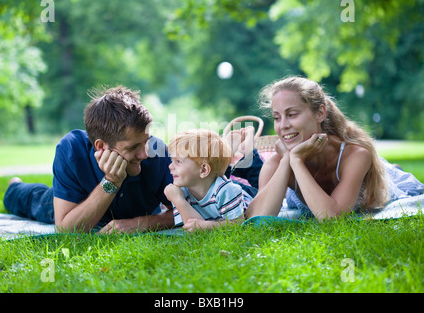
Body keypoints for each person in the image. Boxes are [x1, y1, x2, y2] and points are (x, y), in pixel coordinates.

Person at [246, 76, 424, 220]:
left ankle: (392, 169)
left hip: (379, 180)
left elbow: (331, 217)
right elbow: (256, 217)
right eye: (277, 117)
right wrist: (287, 160)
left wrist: (297, 160)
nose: (283, 125)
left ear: (320, 113)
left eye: (292, 114)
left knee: (390, 174)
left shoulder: (356, 154)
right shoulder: (278, 161)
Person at [4, 86, 174, 234]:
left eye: (146, 141)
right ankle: (15, 185)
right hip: (77, 204)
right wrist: (111, 182)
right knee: (32, 198)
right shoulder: (72, 149)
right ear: (101, 147)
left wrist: (139, 224)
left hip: (134, 211)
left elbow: (193, 209)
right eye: (132, 147)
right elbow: (66, 230)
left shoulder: (157, 152)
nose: (144, 154)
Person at [164, 129, 253, 232]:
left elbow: (238, 223)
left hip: (247, 196)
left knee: (256, 178)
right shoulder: (179, 192)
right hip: (212, 182)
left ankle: (250, 150)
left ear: (203, 170)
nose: (170, 166)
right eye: (172, 160)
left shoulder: (226, 191)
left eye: (178, 161)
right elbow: (192, 226)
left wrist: (208, 226)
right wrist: (178, 200)